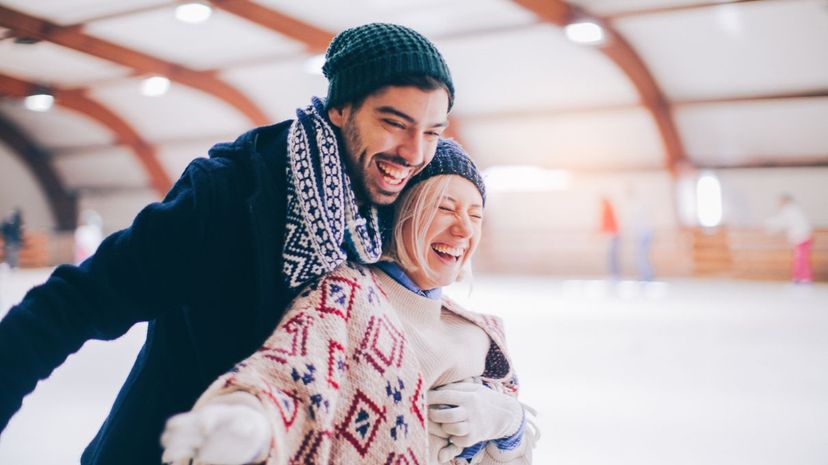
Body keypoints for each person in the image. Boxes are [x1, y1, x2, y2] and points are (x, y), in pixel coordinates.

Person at [0, 23, 456, 465]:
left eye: (433, 132)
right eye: (394, 123)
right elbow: (78, 302)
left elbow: (420, 329)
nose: (414, 153)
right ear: (340, 109)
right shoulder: (231, 194)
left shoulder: (392, 211)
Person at [160, 139, 535, 465]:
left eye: (476, 215)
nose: (464, 229)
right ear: (400, 211)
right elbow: (290, 373)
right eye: (445, 207)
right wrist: (251, 423)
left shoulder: (480, 333)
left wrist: (509, 427)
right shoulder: (350, 295)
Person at [765, 193, 814, 283]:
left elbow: (782, 222)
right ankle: (799, 277)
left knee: (800, 258)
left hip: (802, 237)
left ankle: (804, 278)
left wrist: (769, 225)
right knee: (799, 258)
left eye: (780, 201)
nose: (778, 203)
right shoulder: (793, 209)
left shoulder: (790, 209)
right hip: (801, 237)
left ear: (785, 200)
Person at [598, 195, 620, 280]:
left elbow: (606, 225)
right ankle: (614, 274)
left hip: (613, 236)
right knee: (612, 256)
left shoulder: (607, 209)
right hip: (613, 236)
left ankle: (614, 275)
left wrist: (599, 234)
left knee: (612, 256)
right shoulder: (608, 209)